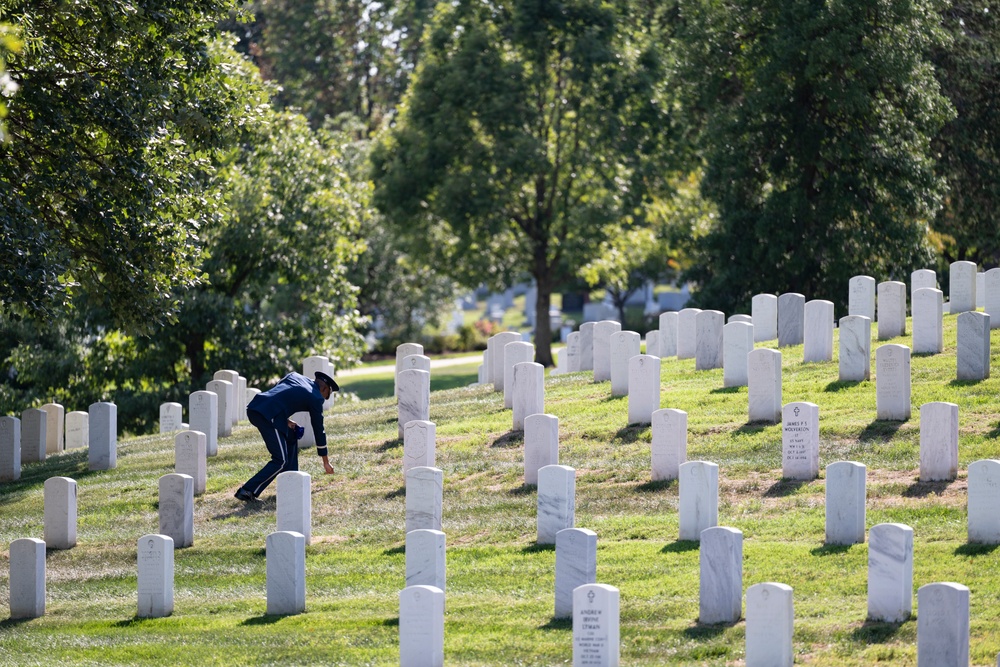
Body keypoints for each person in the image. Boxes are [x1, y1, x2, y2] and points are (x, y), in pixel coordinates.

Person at [234, 370, 338, 501]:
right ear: (324, 388)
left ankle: (290, 482)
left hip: (258, 407)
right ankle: (247, 490)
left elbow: (279, 393)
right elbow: (319, 430)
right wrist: (326, 462)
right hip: (267, 415)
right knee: (280, 460)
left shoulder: (295, 376)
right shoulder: (316, 397)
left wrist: (286, 420)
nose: (324, 398)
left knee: (292, 435)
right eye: (327, 395)